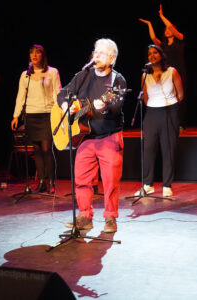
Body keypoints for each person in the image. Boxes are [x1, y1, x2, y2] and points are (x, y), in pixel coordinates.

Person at [57, 38, 127, 233]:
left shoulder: (117, 80)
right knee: (81, 178)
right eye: (96, 51)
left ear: (112, 59)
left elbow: (115, 107)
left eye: (102, 53)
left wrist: (104, 106)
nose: (97, 56)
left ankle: (111, 217)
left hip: (109, 136)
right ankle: (85, 216)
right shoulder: (83, 75)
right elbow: (63, 93)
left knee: (110, 180)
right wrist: (66, 106)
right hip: (86, 137)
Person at [135, 44, 184, 198]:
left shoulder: (172, 72)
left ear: (161, 55)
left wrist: (170, 106)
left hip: (169, 111)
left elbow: (180, 94)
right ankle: (147, 185)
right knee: (148, 149)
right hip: (152, 113)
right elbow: (145, 97)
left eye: (155, 52)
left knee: (168, 149)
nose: (152, 55)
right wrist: (154, 106)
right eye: (149, 53)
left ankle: (167, 185)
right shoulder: (145, 76)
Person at [11, 44, 61, 193]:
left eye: (37, 53)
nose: (34, 55)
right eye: (32, 53)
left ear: (42, 56)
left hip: (47, 114)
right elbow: (20, 96)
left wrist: (58, 113)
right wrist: (16, 115)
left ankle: (51, 182)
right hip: (31, 114)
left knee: (46, 148)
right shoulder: (25, 74)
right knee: (37, 150)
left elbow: (57, 93)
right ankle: (41, 182)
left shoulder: (52, 72)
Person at [139, 4, 187, 130]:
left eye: (169, 29)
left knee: (179, 96)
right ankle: (168, 120)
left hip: (179, 71)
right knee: (167, 94)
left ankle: (179, 123)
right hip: (167, 73)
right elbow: (153, 38)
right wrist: (149, 24)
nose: (167, 30)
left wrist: (161, 16)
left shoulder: (180, 39)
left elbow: (170, 26)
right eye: (165, 29)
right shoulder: (163, 45)